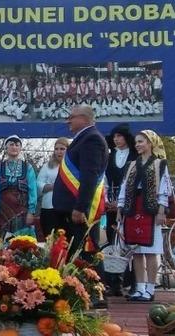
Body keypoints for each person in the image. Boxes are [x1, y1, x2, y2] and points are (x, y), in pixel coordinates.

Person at [116, 130, 171, 302]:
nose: (138, 144)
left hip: (150, 209)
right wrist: (120, 209)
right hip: (133, 208)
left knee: (151, 251)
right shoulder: (131, 165)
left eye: (141, 141)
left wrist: (161, 210)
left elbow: (164, 188)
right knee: (137, 251)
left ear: (151, 143)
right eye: (137, 142)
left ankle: (150, 288)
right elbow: (124, 187)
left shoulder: (160, 164)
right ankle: (139, 288)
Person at [52, 104, 108, 257]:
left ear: (83, 118)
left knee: (84, 258)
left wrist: (80, 208)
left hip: (78, 213)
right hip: (69, 211)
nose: (67, 121)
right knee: (71, 258)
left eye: (71, 117)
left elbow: (90, 176)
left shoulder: (92, 139)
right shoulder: (82, 138)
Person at [103, 123, 136, 296]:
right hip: (111, 205)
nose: (116, 139)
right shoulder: (109, 156)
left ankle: (133, 283)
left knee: (131, 243)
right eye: (114, 137)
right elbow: (105, 180)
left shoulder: (135, 155)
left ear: (126, 137)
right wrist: (108, 201)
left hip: (130, 204)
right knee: (112, 241)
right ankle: (114, 283)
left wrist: (122, 203)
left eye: (119, 136)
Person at [0, 135, 38, 238]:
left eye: (17, 145)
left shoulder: (27, 167)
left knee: (23, 241)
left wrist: (31, 212)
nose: (14, 147)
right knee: (3, 240)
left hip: (22, 210)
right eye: (11, 144)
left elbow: (33, 190)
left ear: (20, 148)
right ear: (6, 148)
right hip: (3, 210)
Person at [37, 137, 69, 239]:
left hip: (67, 208)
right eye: (57, 149)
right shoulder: (47, 166)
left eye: (62, 149)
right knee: (50, 238)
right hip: (49, 207)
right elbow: (38, 184)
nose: (59, 152)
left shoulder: (73, 166)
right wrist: (53, 186)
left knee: (65, 239)